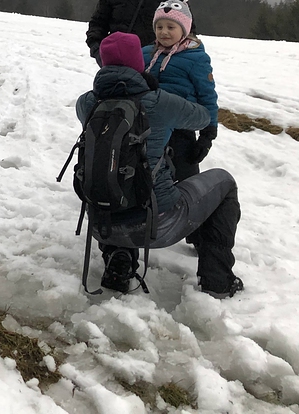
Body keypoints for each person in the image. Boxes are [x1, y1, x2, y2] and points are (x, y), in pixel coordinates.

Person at [75, 32, 243, 298]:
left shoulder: (86, 103)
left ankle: (118, 260)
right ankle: (217, 280)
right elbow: (201, 117)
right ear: (140, 62)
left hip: (101, 225)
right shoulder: (159, 101)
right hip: (158, 224)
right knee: (224, 182)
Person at [143, 0, 218, 183]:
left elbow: (207, 94)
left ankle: (189, 207)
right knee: (147, 172)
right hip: (148, 125)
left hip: (181, 128)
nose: (164, 32)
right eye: (159, 27)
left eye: (170, 27)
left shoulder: (196, 58)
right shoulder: (146, 53)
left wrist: (208, 134)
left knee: (184, 178)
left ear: (184, 29)